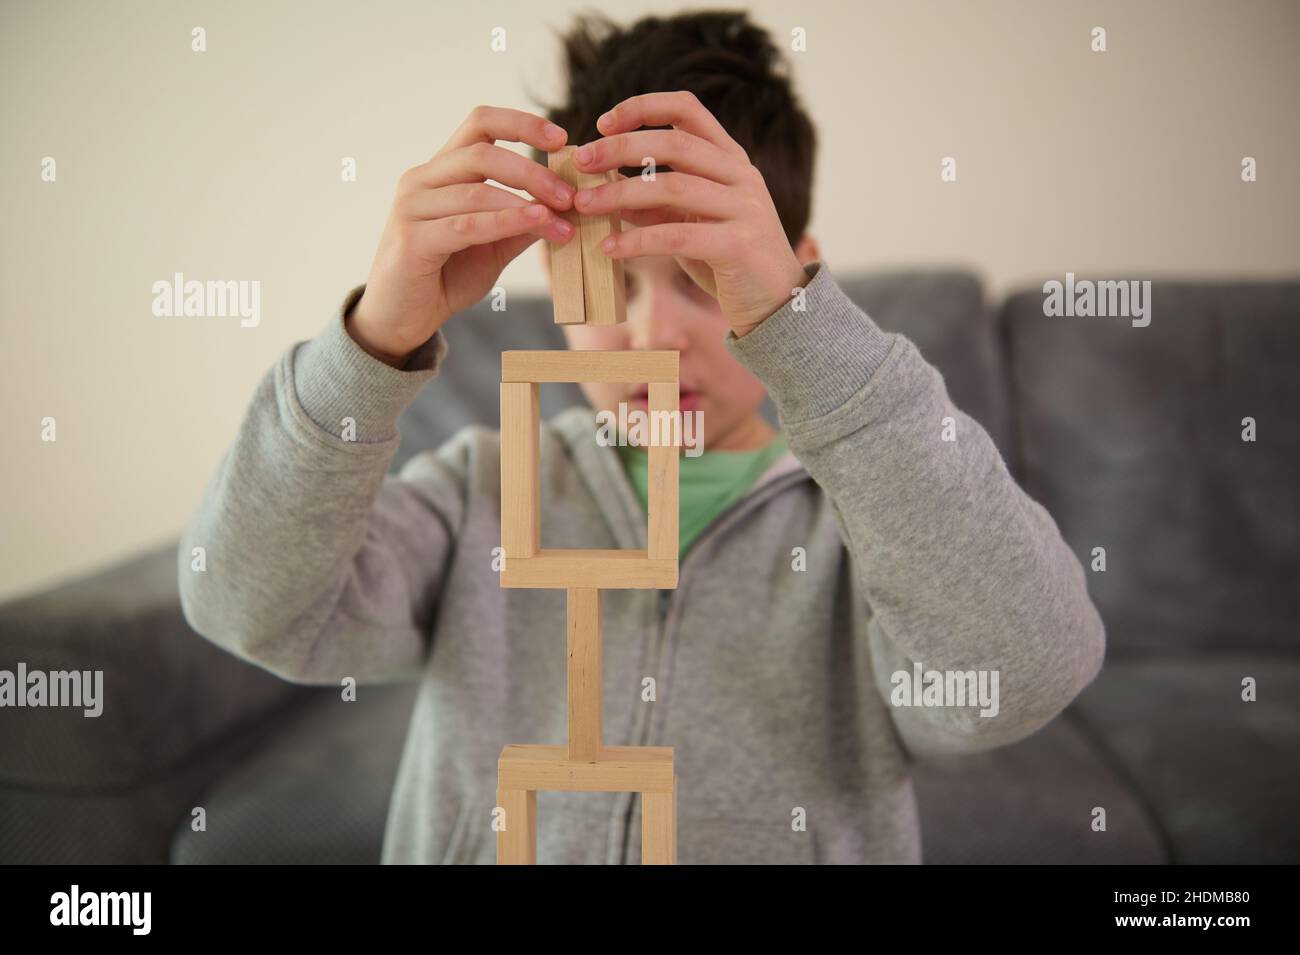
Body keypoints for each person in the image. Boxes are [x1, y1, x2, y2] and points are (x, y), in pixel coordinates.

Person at [179, 10, 1104, 864]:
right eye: (613, 286)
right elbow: (248, 605)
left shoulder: (865, 531)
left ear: (794, 275)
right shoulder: (484, 490)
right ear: (555, 279)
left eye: (705, 276)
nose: (657, 333)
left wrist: (804, 330)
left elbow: (1024, 670)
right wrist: (372, 343)